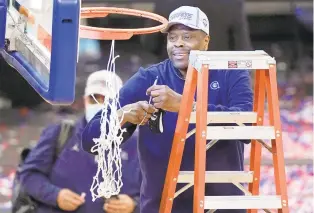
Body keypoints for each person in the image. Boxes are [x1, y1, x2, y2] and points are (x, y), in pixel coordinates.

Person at [81, 6, 253, 213]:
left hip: (223, 207)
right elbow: (90, 141)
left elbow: (247, 127)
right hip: (163, 207)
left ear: (206, 42)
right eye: (172, 37)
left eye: (187, 36)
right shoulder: (148, 78)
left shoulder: (231, 74)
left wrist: (184, 105)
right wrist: (122, 115)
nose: (178, 43)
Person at [18, 70, 141, 213]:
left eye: (107, 100)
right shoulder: (62, 133)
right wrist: (56, 195)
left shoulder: (137, 144)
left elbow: (157, 192)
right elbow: (29, 175)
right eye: (93, 98)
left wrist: (133, 205)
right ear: (85, 100)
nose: (99, 105)